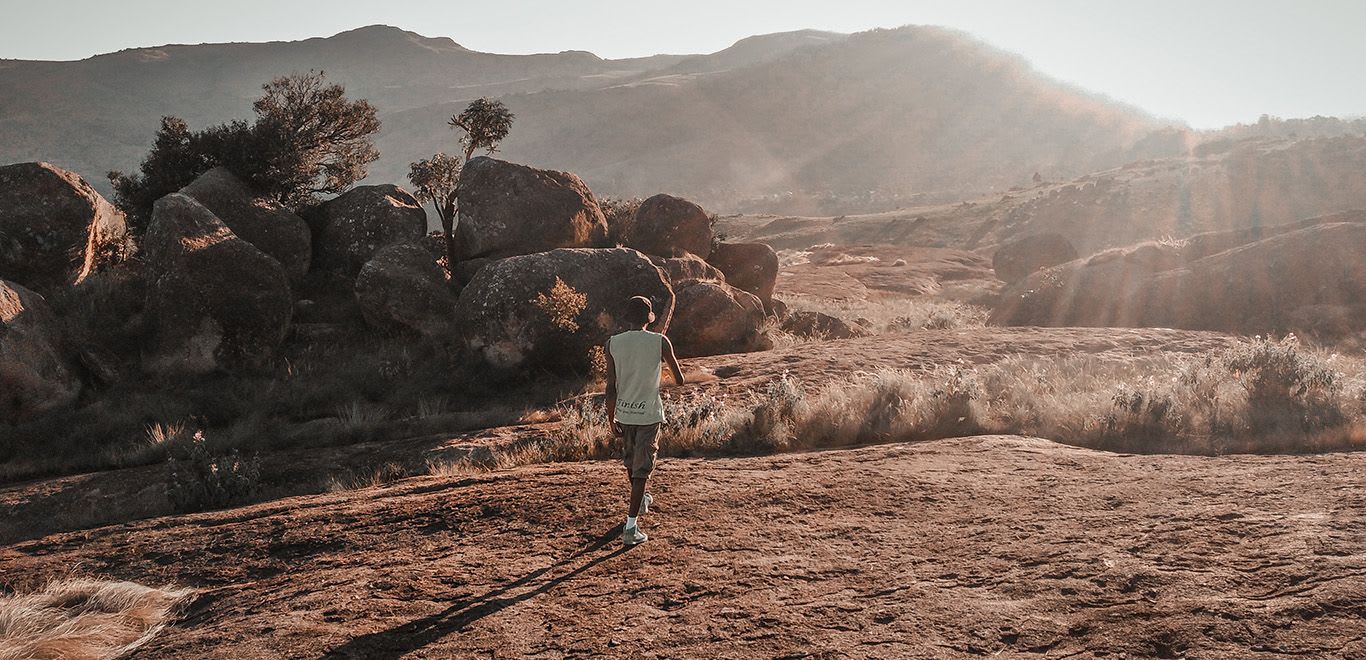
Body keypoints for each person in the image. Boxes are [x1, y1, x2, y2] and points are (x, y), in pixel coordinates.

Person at [605, 295, 685, 546]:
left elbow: (610, 387)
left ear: (627, 318)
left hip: (624, 413)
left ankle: (641, 501)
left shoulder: (612, 344)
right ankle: (631, 527)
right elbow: (679, 379)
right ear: (648, 319)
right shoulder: (660, 342)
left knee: (632, 463)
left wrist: (611, 419)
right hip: (649, 414)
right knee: (642, 469)